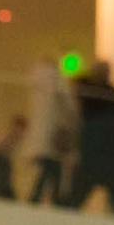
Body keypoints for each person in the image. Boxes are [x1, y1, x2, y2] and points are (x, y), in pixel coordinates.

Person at [64, 61, 114, 216]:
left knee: (113, 195)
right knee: (84, 192)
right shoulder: (93, 90)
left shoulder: (108, 92)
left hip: (103, 151)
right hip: (97, 149)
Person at [27, 58, 76, 206]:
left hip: (47, 141)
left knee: (49, 171)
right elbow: (68, 107)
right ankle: (55, 200)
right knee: (52, 171)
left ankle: (42, 199)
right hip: (54, 140)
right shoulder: (57, 86)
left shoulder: (39, 89)